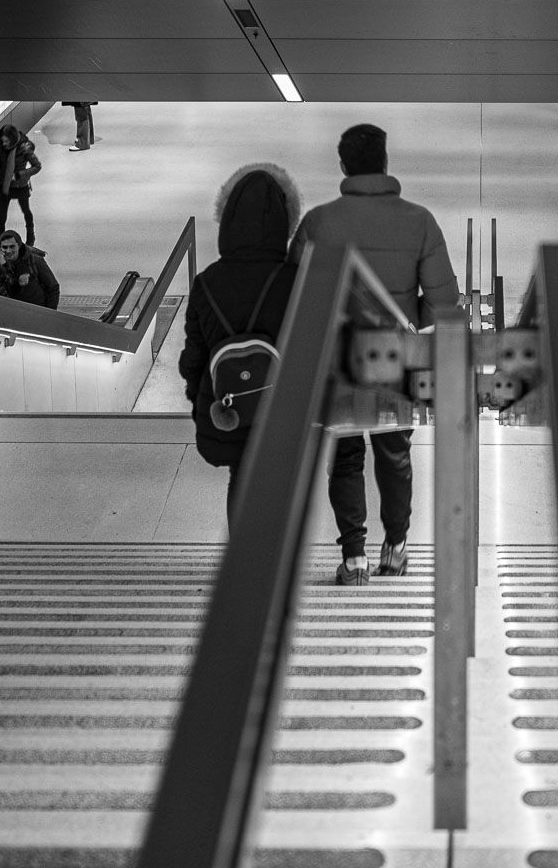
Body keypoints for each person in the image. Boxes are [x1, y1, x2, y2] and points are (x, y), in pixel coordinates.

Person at [293, 124, 460, 586]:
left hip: (339, 359)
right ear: (385, 163)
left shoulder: (318, 222)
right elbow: (445, 302)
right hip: (394, 357)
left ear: (343, 166)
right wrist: (407, 318)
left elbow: (296, 291)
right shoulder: (420, 221)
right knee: (395, 452)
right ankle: (396, 549)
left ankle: (354, 559)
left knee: (346, 454)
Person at [178, 165, 302, 525]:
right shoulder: (296, 281)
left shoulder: (207, 283)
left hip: (228, 409)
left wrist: (200, 400)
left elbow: (193, 360)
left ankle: (243, 549)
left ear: (227, 221)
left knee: (240, 477)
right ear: (285, 223)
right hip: (281, 412)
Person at [0, 230, 60, 307]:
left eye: (12, 247)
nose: (7, 251)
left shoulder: (33, 261)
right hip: (16, 315)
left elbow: (53, 287)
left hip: (36, 313)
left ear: (19, 246)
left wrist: (50, 314)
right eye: (4, 248)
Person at [0, 123, 42, 245]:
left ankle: (30, 237)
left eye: (6, 141)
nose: (4, 144)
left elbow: (37, 166)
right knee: (1, 218)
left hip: (20, 186)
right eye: (2, 141)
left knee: (26, 211)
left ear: (13, 140)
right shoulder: (0, 147)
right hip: (3, 186)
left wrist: (20, 174)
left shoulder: (24, 147)